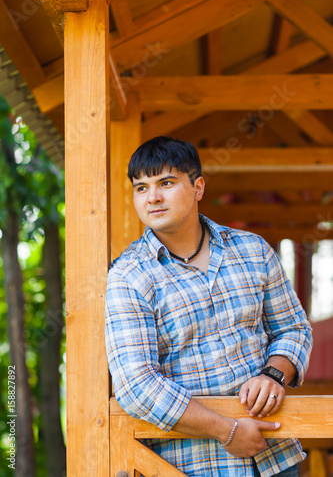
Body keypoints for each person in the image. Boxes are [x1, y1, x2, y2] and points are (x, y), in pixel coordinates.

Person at [105, 136, 313, 477]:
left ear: (198, 187)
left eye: (166, 183)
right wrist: (226, 430)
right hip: (192, 466)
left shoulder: (253, 250)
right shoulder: (128, 275)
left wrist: (275, 373)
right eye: (140, 188)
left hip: (277, 456)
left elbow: (293, 328)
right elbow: (136, 385)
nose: (152, 197)